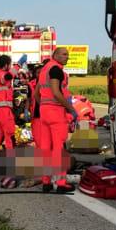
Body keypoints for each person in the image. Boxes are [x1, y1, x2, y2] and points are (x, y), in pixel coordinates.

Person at [34, 48, 76, 193]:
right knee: (59, 149)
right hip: (56, 112)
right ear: (55, 55)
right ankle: (61, 183)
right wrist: (70, 109)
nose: (67, 57)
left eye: (67, 55)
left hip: (44, 112)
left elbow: (36, 94)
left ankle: (46, 182)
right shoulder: (56, 70)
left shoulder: (44, 70)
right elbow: (56, 93)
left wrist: (44, 105)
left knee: (46, 148)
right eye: (64, 54)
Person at [0, 55, 16, 153]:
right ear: (6, 65)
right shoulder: (1, 74)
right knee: (9, 134)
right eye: (10, 64)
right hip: (4, 110)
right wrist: (18, 66)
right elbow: (6, 78)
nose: (10, 66)